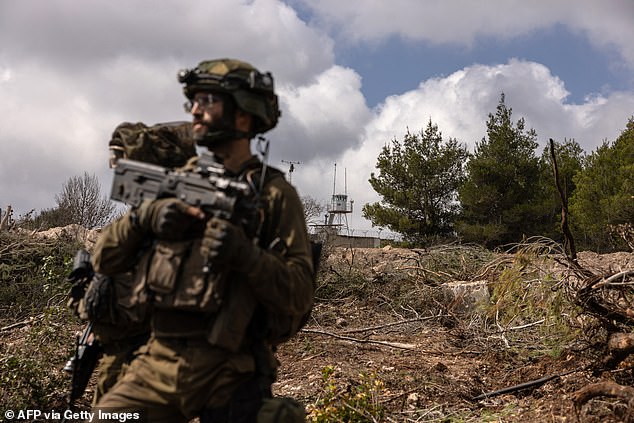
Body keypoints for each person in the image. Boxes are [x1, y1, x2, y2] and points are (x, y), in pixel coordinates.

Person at [91, 58, 314, 422]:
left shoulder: (274, 194)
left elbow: (300, 293)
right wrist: (145, 218)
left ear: (243, 115)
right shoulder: (177, 180)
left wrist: (245, 255)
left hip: (231, 367)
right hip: (158, 358)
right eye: (193, 100)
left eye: (208, 100)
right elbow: (105, 259)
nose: (195, 109)